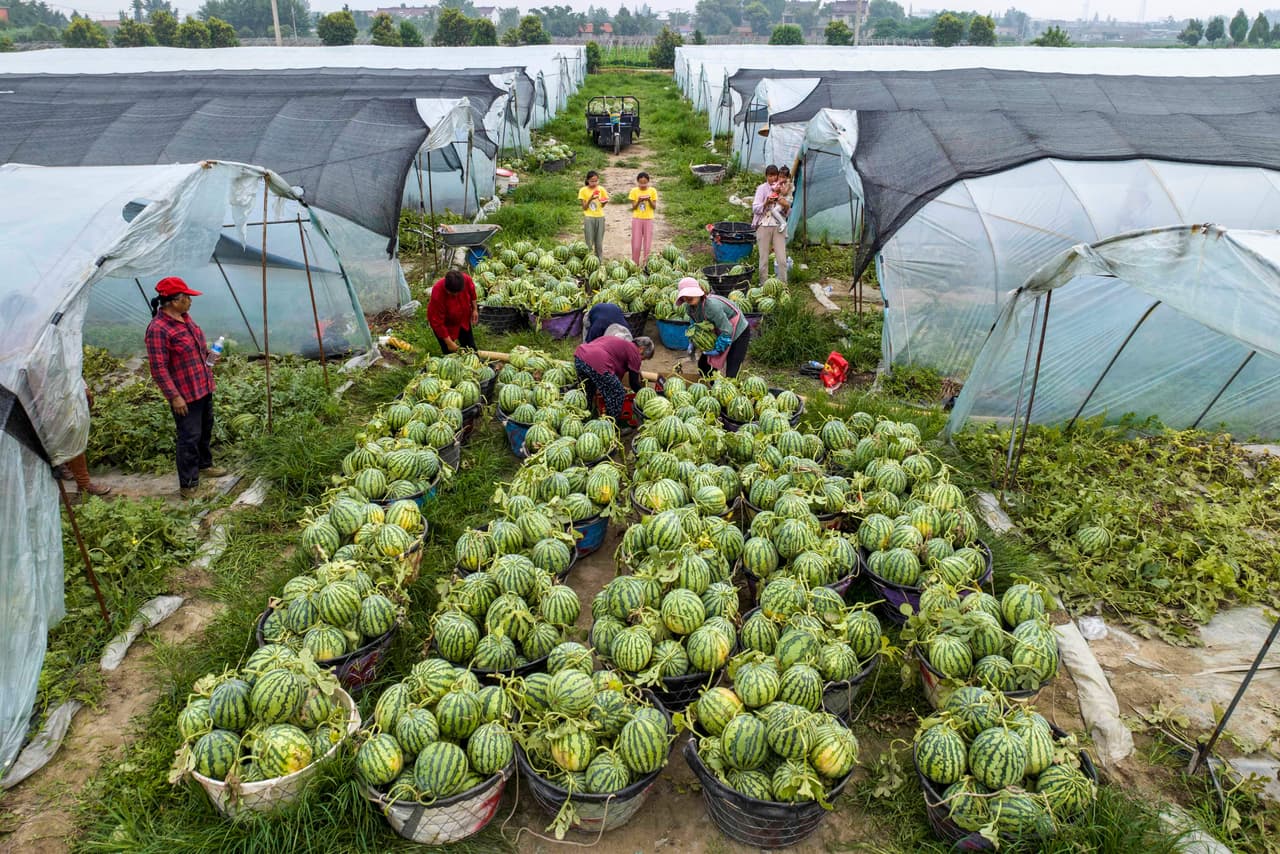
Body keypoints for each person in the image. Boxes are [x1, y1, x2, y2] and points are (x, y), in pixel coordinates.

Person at [144, 277, 226, 498]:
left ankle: (204, 465)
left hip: (202, 385)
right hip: (185, 394)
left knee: (205, 429)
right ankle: (188, 485)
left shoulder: (185, 319)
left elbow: (194, 349)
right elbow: (159, 368)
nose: (190, 301)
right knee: (189, 437)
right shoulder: (158, 329)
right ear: (172, 301)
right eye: (186, 297)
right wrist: (174, 397)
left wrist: (208, 355)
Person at [676, 277, 750, 378]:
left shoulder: (711, 306)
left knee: (732, 373)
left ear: (699, 292)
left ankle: (729, 389)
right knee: (704, 366)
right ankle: (713, 389)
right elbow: (694, 326)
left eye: (691, 293)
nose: (688, 297)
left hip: (738, 331)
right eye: (685, 295)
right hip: (722, 329)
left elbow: (727, 329)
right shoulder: (689, 308)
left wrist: (718, 349)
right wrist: (692, 342)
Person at [573, 334, 655, 424]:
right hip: (598, 362)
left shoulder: (621, 344)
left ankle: (583, 419)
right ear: (641, 349)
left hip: (580, 357)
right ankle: (611, 426)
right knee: (618, 393)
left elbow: (613, 375)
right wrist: (647, 396)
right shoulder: (634, 353)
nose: (641, 361)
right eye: (643, 359)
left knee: (588, 390)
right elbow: (633, 383)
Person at [752, 164, 790, 286]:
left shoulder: (783, 187)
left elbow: (787, 211)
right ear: (766, 176)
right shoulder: (761, 189)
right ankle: (763, 285)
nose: (773, 178)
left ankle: (783, 286)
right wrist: (765, 203)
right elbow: (755, 208)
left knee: (782, 260)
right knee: (763, 259)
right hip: (764, 224)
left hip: (779, 225)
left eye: (775, 175)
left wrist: (785, 206)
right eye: (770, 175)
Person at [427, 269, 479, 354]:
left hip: (463, 319)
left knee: (471, 348)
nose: (456, 295)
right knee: (450, 353)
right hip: (446, 324)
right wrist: (449, 343)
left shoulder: (466, 279)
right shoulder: (438, 293)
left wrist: (475, 310)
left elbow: (472, 293)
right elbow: (437, 323)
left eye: (459, 292)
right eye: (453, 294)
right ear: (446, 288)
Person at [628, 172, 658, 265]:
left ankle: (646, 264)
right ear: (637, 182)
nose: (643, 185)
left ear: (648, 182)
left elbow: (654, 207)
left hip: (649, 219)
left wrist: (649, 200)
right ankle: (634, 263)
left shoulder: (652, 191)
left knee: (647, 244)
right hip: (637, 219)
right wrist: (639, 201)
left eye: (645, 183)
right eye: (641, 183)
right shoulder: (634, 191)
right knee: (636, 244)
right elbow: (633, 207)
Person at [578, 171, 609, 259]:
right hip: (589, 218)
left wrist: (604, 202)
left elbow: (602, 205)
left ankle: (599, 261)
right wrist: (591, 198)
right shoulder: (583, 190)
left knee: (599, 242)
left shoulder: (601, 189)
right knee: (589, 241)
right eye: (592, 181)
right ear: (587, 180)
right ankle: (588, 260)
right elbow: (584, 207)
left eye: (596, 181)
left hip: (600, 217)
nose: (594, 183)